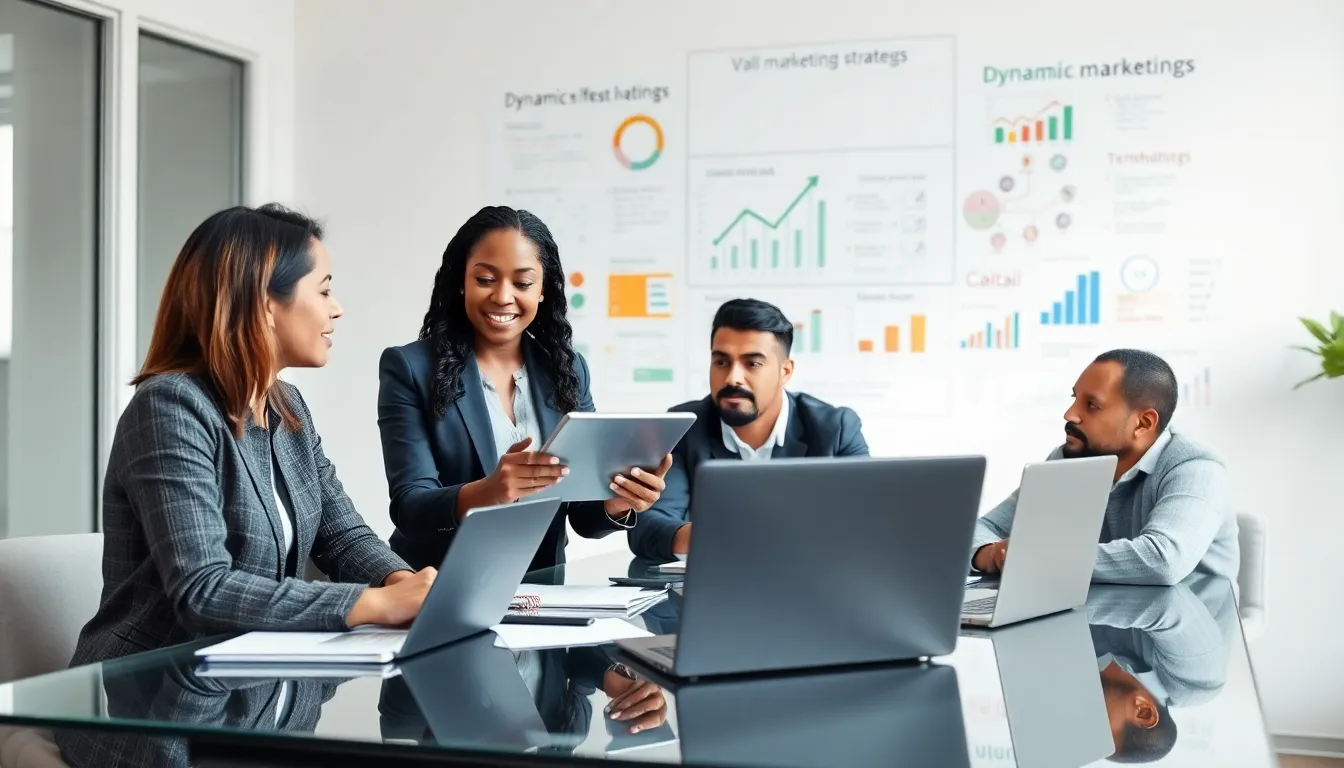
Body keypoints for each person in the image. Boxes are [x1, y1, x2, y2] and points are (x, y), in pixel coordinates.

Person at [70, 205, 433, 670]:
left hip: (249, 678)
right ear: (265, 303)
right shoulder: (170, 407)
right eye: (323, 291)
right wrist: (375, 605)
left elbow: (341, 536)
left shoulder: (287, 404)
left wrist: (405, 584)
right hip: (152, 695)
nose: (336, 308)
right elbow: (203, 589)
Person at [377, 206, 671, 573]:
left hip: (541, 588)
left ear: (543, 289)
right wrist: (489, 490)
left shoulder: (568, 371)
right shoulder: (410, 368)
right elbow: (410, 507)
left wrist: (620, 501)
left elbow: (583, 515)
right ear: (461, 282)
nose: (503, 296)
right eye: (485, 279)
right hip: (436, 583)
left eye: (522, 283)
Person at [627, 298, 869, 561]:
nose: (732, 378)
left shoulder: (837, 428)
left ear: (785, 372)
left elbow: (866, 523)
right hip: (719, 588)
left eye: (752, 364)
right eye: (721, 362)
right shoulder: (683, 426)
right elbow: (647, 525)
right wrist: (725, 539)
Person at [971, 349, 1237, 586]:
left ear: (1143, 423)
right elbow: (984, 527)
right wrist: (991, 553)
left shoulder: (1196, 468)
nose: (1070, 414)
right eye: (1075, 399)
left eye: (1091, 406)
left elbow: (1163, 560)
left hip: (1181, 630)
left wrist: (1040, 559)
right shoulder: (1068, 460)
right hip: (1099, 626)